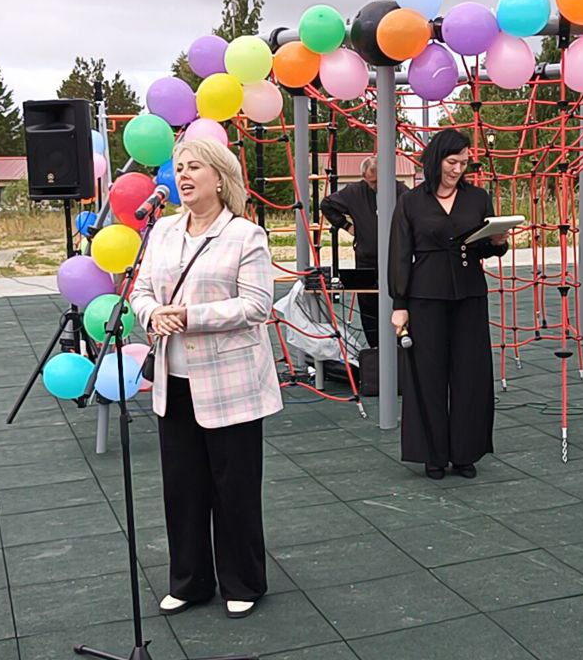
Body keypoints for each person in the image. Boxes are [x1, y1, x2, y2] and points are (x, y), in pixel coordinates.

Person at [130, 138, 282, 619]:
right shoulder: (163, 230)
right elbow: (140, 290)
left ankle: (243, 582)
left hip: (230, 382)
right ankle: (190, 581)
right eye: (179, 168)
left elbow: (256, 305)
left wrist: (190, 316)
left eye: (195, 167)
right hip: (174, 380)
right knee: (183, 487)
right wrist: (152, 313)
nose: (184, 175)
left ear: (220, 177)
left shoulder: (245, 235)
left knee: (234, 488)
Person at [388, 128, 508, 480]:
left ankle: (465, 452)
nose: (458, 169)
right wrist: (399, 303)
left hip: (469, 295)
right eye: (452, 162)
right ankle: (433, 455)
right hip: (425, 297)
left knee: (471, 374)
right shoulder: (411, 201)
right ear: (437, 159)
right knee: (428, 375)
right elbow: (400, 254)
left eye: (464, 163)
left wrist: (498, 242)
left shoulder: (478, 198)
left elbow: (486, 247)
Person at [319, 156, 408, 348]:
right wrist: (346, 226)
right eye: (372, 182)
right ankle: (375, 352)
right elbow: (326, 204)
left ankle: (400, 351)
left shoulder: (401, 191)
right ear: (364, 178)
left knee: (399, 307)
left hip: (396, 261)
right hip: (367, 261)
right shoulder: (355, 192)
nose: (377, 186)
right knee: (369, 312)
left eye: (380, 181)